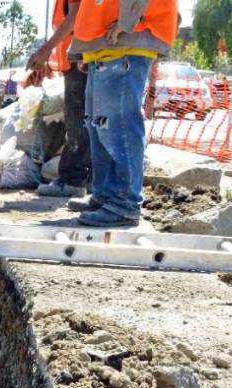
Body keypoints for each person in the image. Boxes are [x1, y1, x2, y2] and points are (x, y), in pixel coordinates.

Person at [66, 0, 177, 227]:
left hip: (127, 38)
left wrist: (127, 22)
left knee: (119, 126)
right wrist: (87, 50)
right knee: (99, 126)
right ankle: (105, 196)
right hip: (108, 43)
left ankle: (124, 203)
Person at [27, 0, 90, 198]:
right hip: (79, 57)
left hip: (81, 57)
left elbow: (74, 16)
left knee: (78, 121)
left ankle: (73, 180)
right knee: (84, 121)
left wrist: (46, 49)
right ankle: (88, 180)